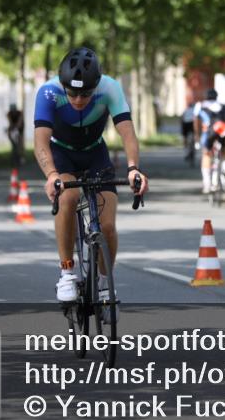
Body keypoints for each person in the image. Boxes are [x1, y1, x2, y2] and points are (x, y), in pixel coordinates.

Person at [33, 47, 148, 305]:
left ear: (96, 85)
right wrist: (51, 175)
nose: (78, 99)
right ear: (63, 85)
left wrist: (133, 168)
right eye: (72, 92)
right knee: (68, 196)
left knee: (107, 225)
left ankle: (105, 283)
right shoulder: (49, 92)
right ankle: (66, 272)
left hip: (95, 153)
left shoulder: (110, 88)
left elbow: (127, 133)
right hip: (62, 153)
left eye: (85, 93)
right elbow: (40, 141)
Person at [193, 88, 225, 194]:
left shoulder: (200, 105)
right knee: (224, 151)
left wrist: (197, 136)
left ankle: (207, 184)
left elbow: (196, 121)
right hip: (223, 131)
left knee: (206, 154)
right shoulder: (223, 106)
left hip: (209, 133)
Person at [7, 103, 25, 168]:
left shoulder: (19, 113)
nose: (13, 112)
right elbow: (10, 123)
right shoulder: (9, 114)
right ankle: (14, 158)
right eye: (12, 111)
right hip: (13, 128)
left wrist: (16, 130)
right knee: (14, 145)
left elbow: (19, 124)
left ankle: (21, 158)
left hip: (20, 129)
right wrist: (10, 132)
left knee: (20, 144)